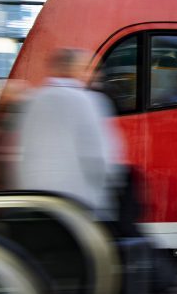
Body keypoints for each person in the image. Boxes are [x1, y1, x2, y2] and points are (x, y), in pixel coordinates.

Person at [14, 48, 124, 224]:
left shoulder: (32, 100)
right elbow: (101, 157)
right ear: (75, 70)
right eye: (87, 68)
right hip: (78, 203)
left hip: (36, 201)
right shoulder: (89, 101)